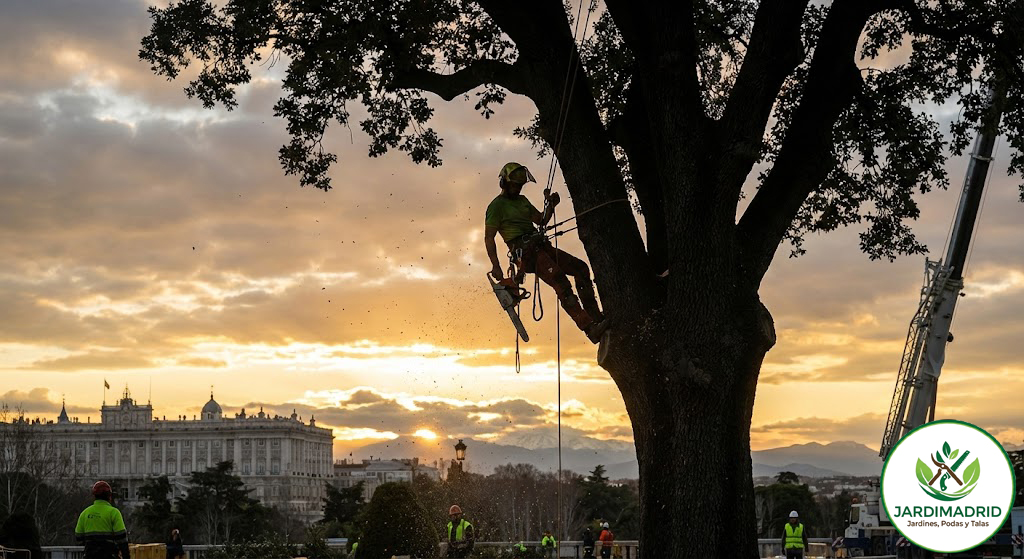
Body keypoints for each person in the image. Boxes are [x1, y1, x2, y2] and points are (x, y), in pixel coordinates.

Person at [484, 162, 610, 343]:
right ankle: (590, 329)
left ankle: (596, 317)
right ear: (504, 183)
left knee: (581, 269)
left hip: (543, 247)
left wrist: (551, 205)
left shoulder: (523, 201)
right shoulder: (496, 207)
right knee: (561, 282)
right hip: (527, 254)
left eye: (520, 186)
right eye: (514, 185)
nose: (518, 189)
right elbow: (489, 238)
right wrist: (495, 265)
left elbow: (541, 220)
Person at [75, 481, 130, 559]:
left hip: (90, 556)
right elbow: (122, 539)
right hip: (109, 555)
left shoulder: (85, 513)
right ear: (109, 496)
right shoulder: (114, 512)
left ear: (94, 496)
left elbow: (78, 536)